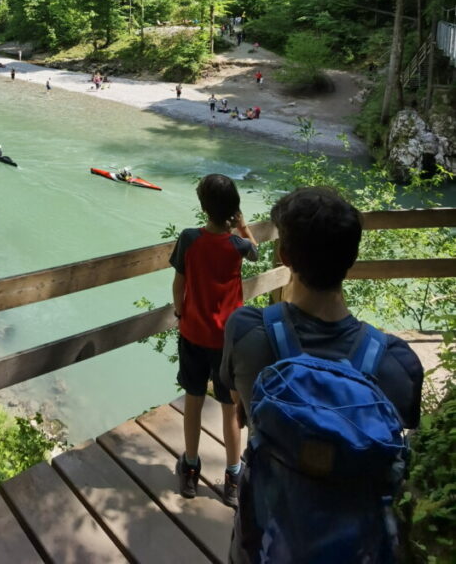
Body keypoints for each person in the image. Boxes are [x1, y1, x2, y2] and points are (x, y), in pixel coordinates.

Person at [221, 186, 423, 563]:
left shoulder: (247, 331)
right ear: (353, 258)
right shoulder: (398, 364)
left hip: (263, 541)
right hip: (354, 549)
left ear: (284, 256)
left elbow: (239, 408)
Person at [171, 174, 258, 508]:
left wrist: (181, 313)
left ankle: (191, 468)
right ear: (232, 209)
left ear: (203, 207)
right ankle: (233, 477)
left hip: (192, 332)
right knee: (230, 407)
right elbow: (255, 253)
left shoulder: (189, 239)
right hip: (228, 340)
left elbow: (178, 286)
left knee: (193, 400)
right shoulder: (237, 244)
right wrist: (243, 225)